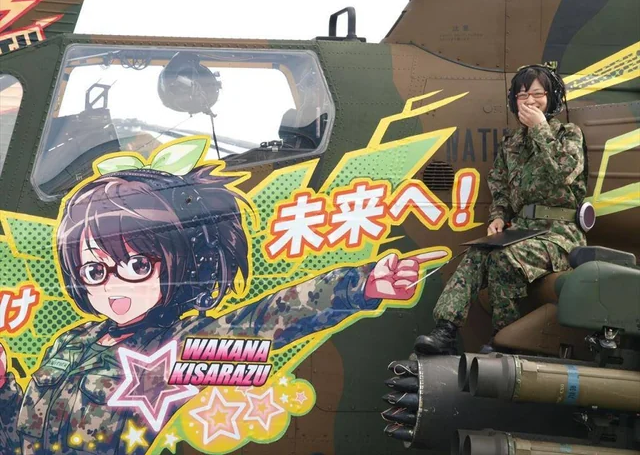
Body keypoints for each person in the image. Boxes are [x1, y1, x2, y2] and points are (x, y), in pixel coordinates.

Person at [0, 138, 445, 454]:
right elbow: (18, 434)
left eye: (137, 265)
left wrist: (359, 285)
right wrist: (4, 389)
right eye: (95, 271)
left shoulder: (179, 345)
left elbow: (267, 320)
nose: (114, 285)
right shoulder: (71, 341)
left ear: (178, 262)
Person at [414, 63, 588, 355]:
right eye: (523, 96)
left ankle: (505, 339)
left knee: (505, 258)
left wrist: (540, 129)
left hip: (559, 235)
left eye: (538, 94)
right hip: (522, 230)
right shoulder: (512, 143)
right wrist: (497, 217)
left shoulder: (567, 135)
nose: (530, 101)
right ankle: (445, 330)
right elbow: (501, 187)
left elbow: (565, 173)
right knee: (477, 254)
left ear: (552, 98)